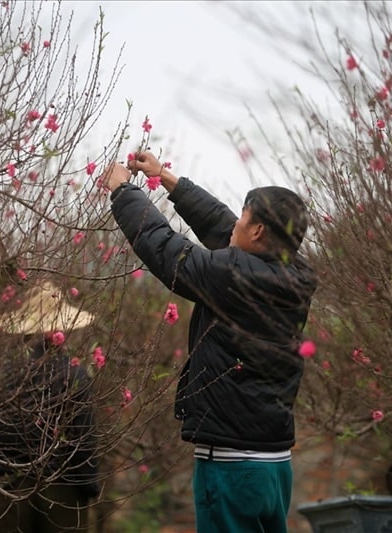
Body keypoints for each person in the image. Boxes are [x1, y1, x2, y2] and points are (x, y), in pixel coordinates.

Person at [99, 152, 317, 533]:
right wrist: (168, 180)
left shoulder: (233, 276)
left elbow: (167, 251)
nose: (237, 222)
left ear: (260, 232)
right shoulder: (294, 273)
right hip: (274, 464)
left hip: (232, 465)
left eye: (245, 216)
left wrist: (124, 192)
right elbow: (224, 227)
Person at [0, 281, 100, 533]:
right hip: (63, 489)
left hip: (10, 484)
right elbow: (83, 437)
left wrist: (2, 448)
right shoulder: (74, 374)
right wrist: (88, 486)